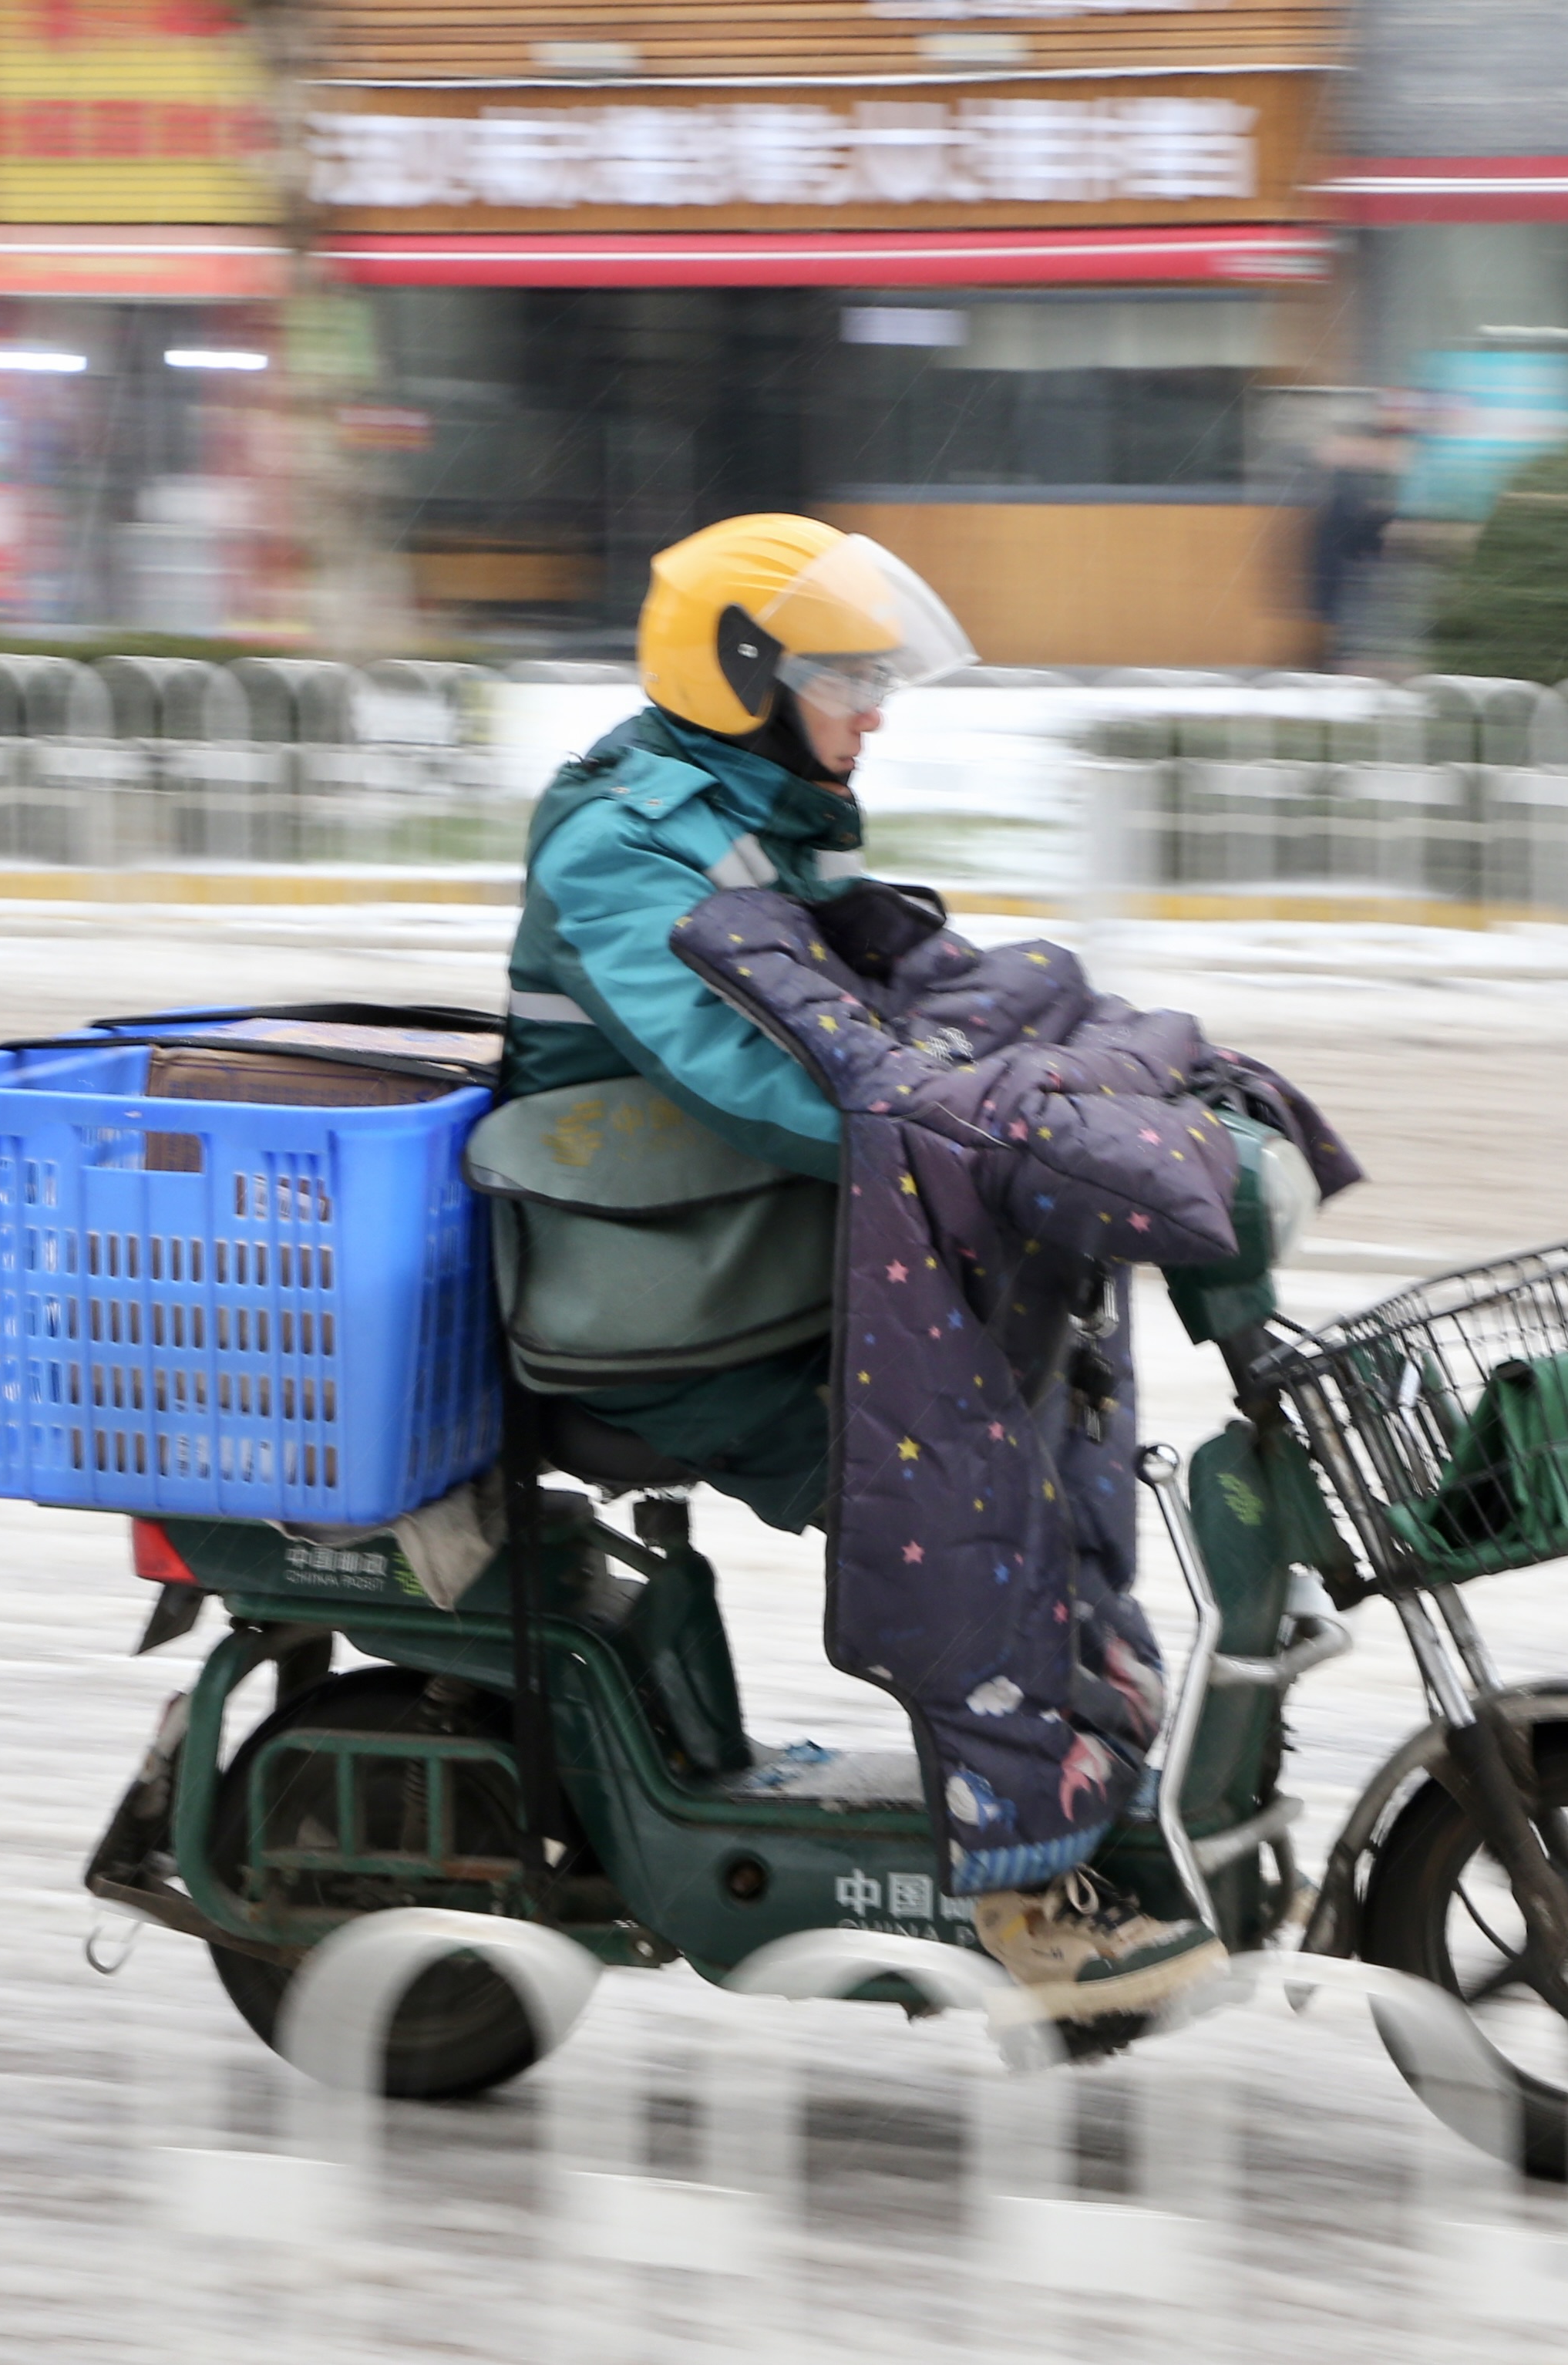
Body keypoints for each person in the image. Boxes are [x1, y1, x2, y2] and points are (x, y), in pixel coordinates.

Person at [496, 513, 1222, 2014]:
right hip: (659, 1300)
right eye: (845, 680)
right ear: (745, 678)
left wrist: (1077, 1065)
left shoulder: (751, 816)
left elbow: (897, 1013)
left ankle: (1071, 1747)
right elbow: (766, 1079)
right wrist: (998, 1135)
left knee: (1056, 1362)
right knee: (961, 1462)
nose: (874, 710)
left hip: (756, 1262)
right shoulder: (630, 848)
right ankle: (1020, 1889)